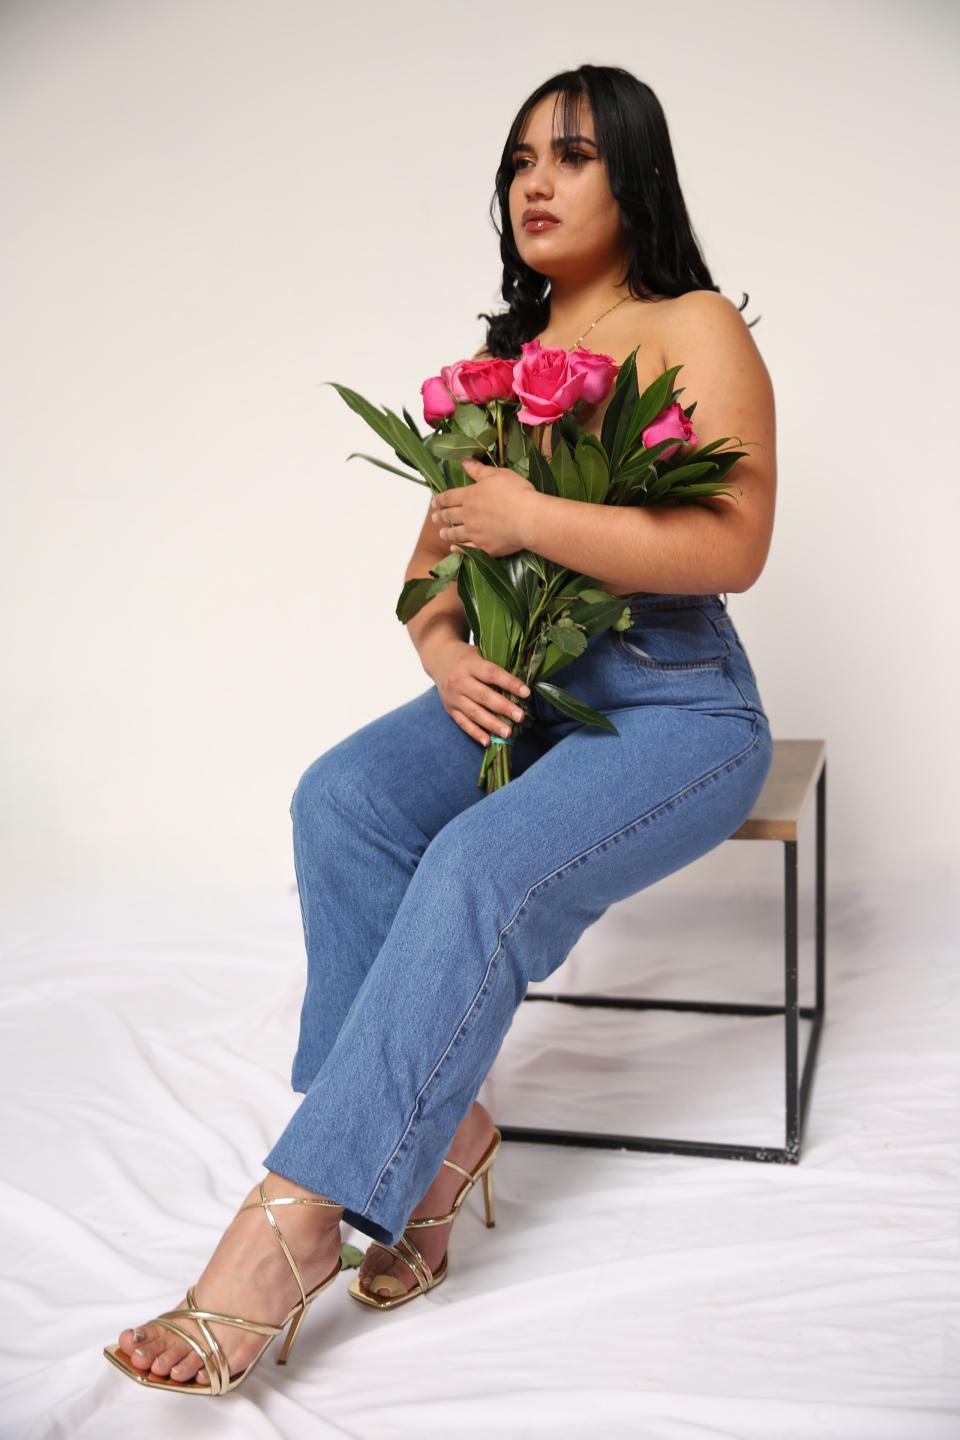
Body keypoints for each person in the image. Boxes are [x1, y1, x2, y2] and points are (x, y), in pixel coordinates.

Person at [103, 62, 776, 1395]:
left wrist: (533, 518)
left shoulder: (694, 324)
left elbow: (736, 545)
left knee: (476, 864)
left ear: (634, 175)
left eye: (573, 155)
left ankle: (293, 1227)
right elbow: (428, 572)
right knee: (341, 799)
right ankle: (441, 1141)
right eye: (521, 158)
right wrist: (447, 653)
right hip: (528, 689)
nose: (536, 182)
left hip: (680, 707)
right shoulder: (510, 367)